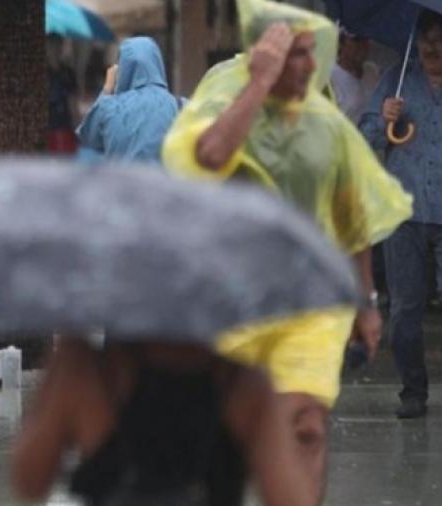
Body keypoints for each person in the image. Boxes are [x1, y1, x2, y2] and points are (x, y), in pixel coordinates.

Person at [161, 0, 413, 502]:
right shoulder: (222, 86)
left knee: (307, 425)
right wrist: (259, 85)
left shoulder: (316, 94)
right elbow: (206, 156)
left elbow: (347, 194)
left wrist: (364, 299)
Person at [13, 339, 310, 506]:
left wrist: (50, 389)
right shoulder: (245, 384)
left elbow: (29, 481)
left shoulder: (85, 368)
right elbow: (291, 500)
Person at [360, 10, 442, 419]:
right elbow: (366, 135)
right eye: (427, 38)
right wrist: (383, 118)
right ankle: (413, 390)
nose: (433, 46)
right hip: (404, 211)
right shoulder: (396, 79)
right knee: (404, 311)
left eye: (440, 38)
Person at [76, 37, 181, 163]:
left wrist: (107, 89)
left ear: (123, 68)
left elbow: (88, 138)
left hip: (120, 182)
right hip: (163, 182)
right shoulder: (179, 107)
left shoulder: (109, 107)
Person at [331, 28, 380, 124]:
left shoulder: (372, 71)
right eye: (356, 40)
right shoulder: (329, 77)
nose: (362, 45)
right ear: (341, 43)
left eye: (366, 40)